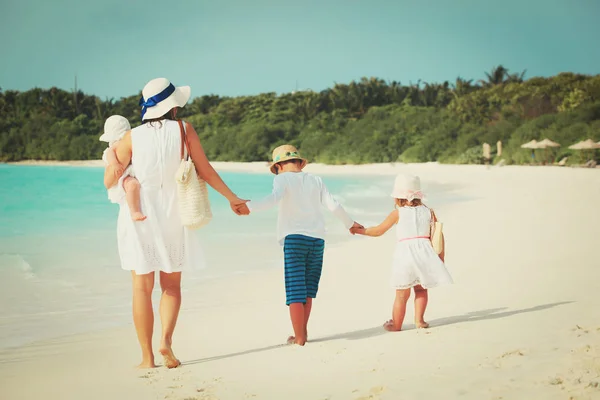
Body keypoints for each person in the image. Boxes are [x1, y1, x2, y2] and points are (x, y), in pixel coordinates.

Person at [103, 78, 248, 369]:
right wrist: (232, 198)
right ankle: (166, 342)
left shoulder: (131, 137)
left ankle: (147, 359)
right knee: (171, 286)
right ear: (172, 106)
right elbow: (205, 170)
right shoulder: (184, 129)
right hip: (173, 212)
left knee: (141, 288)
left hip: (139, 213)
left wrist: (116, 166)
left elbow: (111, 179)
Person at [243, 145, 363, 346]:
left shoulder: (282, 179)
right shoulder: (316, 180)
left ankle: (299, 337)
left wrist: (248, 207)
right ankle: (302, 333)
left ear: (279, 166)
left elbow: (273, 199)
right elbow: (334, 205)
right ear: (299, 162)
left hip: (294, 239)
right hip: (317, 240)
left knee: (295, 289)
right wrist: (350, 224)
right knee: (307, 289)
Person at [354, 174, 453, 331]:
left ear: (397, 198)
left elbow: (379, 231)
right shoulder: (429, 212)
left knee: (401, 294)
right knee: (421, 290)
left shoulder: (398, 213)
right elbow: (438, 236)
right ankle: (419, 321)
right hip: (425, 253)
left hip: (405, 256)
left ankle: (396, 324)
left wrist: (360, 231)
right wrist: (440, 258)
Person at [100, 115, 146, 221]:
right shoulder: (117, 143)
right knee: (132, 185)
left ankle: (135, 211)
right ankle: (135, 211)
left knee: (133, 186)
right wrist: (114, 164)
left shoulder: (127, 141)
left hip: (128, 171)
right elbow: (110, 152)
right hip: (123, 173)